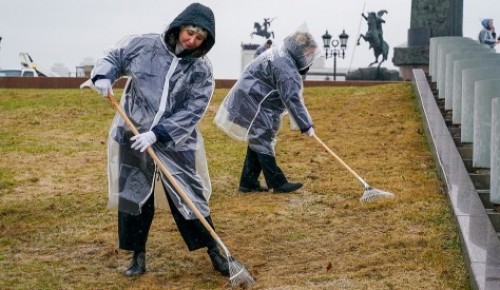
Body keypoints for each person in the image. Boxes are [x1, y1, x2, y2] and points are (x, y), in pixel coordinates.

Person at [90, 3, 229, 277]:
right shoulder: (147, 45)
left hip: (174, 140)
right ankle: (137, 256)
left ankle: (215, 251)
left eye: (199, 38)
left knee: (189, 195)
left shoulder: (201, 70)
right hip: (133, 133)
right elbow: (117, 57)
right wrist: (103, 76)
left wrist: (159, 133)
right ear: (180, 27)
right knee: (134, 196)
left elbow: (194, 109)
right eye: (189, 33)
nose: (192, 41)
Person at [214, 23, 319, 194]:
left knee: (259, 137)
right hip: (252, 101)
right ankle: (277, 183)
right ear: (302, 49)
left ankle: (248, 182)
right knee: (262, 137)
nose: (310, 57)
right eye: (310, 53)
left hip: (250, 98)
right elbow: (292, 98)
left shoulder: (284, 54)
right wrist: (306, 125)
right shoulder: (286, 66)